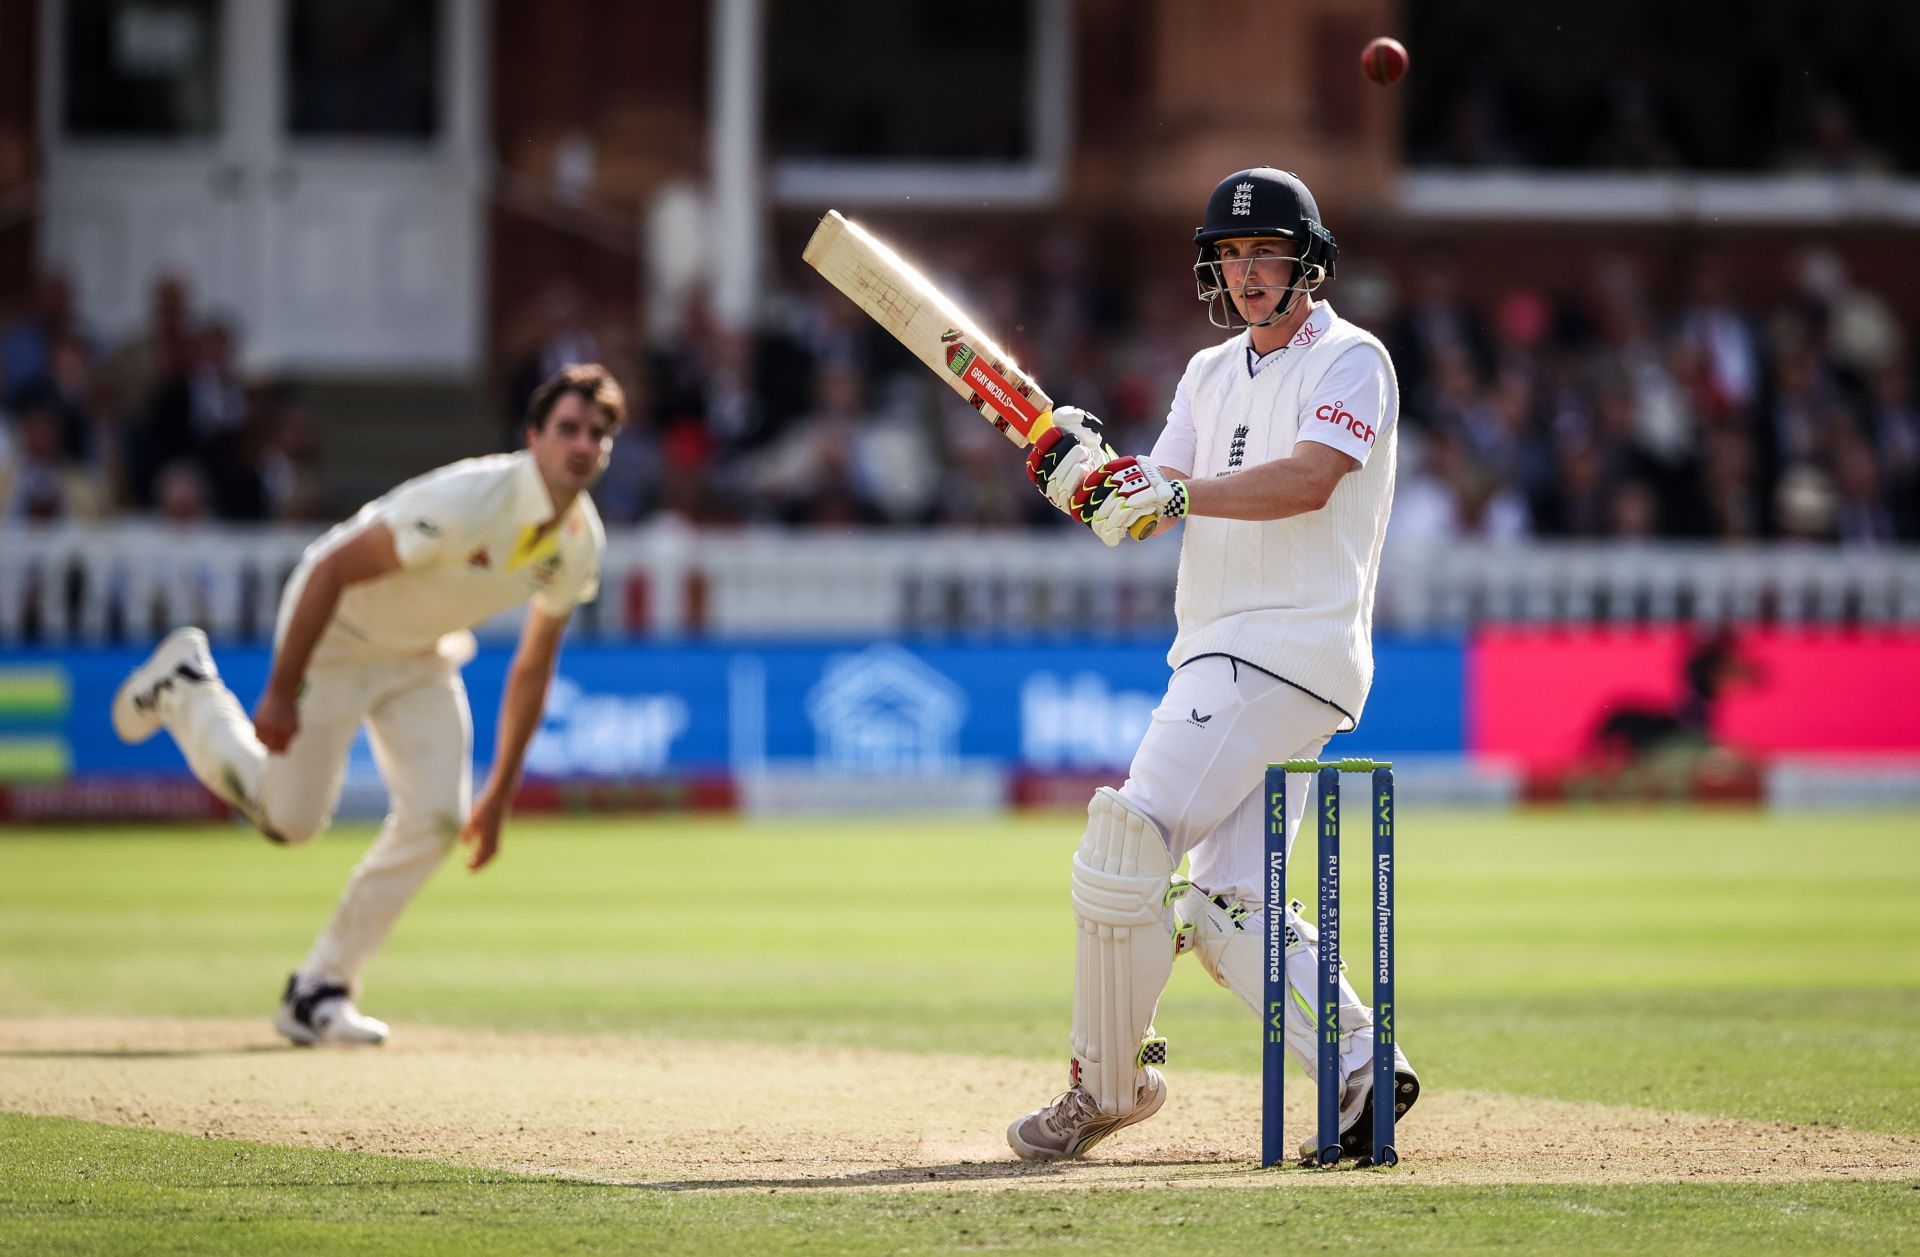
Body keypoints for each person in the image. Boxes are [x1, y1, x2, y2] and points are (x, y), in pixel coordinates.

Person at [1010, 169, 1419, 1162]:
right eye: (1231, 256)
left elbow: (1310, 481)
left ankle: (1108, 1086)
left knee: (1128, 839)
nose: (1245, 273)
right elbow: (1146, 503)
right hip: (1228, 649)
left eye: (1264, 253)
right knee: (1225, 909)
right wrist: (1083, 471)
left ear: (1307, 262)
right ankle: (1366, 1066)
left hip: (1280, 645)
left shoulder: (1353, 360)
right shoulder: (1204, 373)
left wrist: (1175, 493)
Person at [110, 364, 623, 1046]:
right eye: (568, 428)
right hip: (336, 637)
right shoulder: (472, 497)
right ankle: (186, 689)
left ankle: (321, 987)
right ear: (534, 436)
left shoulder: (579, 542)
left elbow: (533, 666)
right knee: (290, 821)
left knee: (439, 817)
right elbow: (330, 569)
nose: (582, 443)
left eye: (598, 432)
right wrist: (281, 689)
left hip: (419, 656)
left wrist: (499, 791)